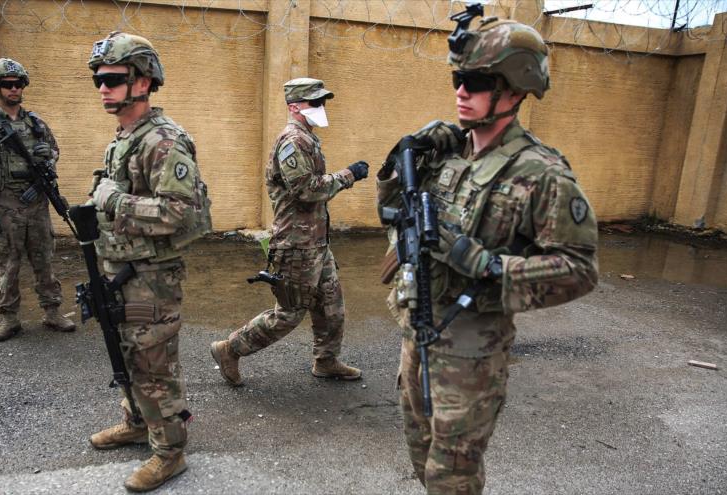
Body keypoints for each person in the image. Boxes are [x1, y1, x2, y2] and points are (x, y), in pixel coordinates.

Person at [376, 15, 599, 494]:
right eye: (458, 80)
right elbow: (390, 214)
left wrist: (482, 263)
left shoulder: (541, 173)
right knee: (421, 455)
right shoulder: (449, 154)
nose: (461, 92)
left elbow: (580, 269)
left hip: (471, 352)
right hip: (419, 334)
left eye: (475, 82)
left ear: (516, 90)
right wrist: (399, 164)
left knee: (451, 474)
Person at [84, 31, 212, 492]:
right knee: (127, 351)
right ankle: (138, 421)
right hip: (121, 271)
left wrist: (115, 201)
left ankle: (170, 452)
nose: (103, 87)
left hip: (151, 278)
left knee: (153, 361)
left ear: (144, 80)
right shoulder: (124, 136)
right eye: (98, 79)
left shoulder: (163, 141)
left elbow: (180, 213)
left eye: (114, 78)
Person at [210, 78, 370, 386]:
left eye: (323, 102)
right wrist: (348, 175)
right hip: (295, 245)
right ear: (294, 106)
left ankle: (326, 361)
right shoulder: (292, 141)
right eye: (315, 102)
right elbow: (306, 191)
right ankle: (230, 348)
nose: (321, 108)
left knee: (330, 304)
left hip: (316, 242)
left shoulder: (308, 138)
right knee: (290, 312)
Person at [0, 58, 76, 342]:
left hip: (37, 203)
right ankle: (9, 318)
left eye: (18, 84)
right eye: (7, 85)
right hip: (5, 205)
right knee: (9, 265)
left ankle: (52, 312)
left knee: (44, 261)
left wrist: (45, 156)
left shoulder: (35, 123)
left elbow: (54, 151)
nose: (14, 89)